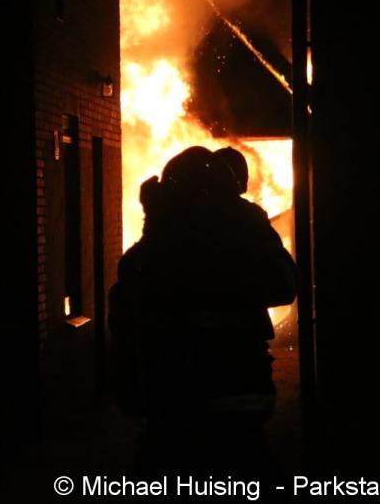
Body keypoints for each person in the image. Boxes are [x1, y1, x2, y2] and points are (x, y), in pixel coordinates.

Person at [109, 145, 297, 479]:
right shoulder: (240, 236)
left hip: (172, 409)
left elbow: (126, 323)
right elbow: (282, 283)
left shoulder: (149, 254)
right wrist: (251, 225)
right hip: (235, 399)